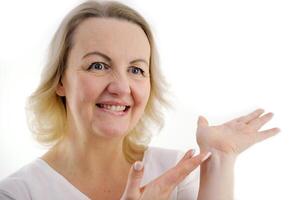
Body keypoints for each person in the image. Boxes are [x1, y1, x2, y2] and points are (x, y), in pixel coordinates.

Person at [0, 0, 280, 199]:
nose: (121, 87)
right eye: (98, 65)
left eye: (136, 70)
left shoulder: (174, 174)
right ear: (60, 79)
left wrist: (219, 160)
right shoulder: (18, 192)